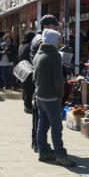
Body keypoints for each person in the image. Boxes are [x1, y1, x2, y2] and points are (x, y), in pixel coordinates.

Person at [33, 29, 74, 166]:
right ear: (53, 40)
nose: (59, 42)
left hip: (40, 96)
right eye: (58, 40)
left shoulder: (38, 54)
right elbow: (58, 79)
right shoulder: (54, 55)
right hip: (51, 97)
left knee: (42, 125)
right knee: (56, 127)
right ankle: (60, 155)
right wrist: (60, 95)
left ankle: (43, 152)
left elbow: (34, 76)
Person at [18, 30, 36, 113]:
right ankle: (28, 106)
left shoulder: (21, 45)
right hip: (28, 69)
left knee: (25, 88)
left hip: (22, 68)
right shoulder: (29, 46)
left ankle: (26, 104)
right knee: (30, 88)